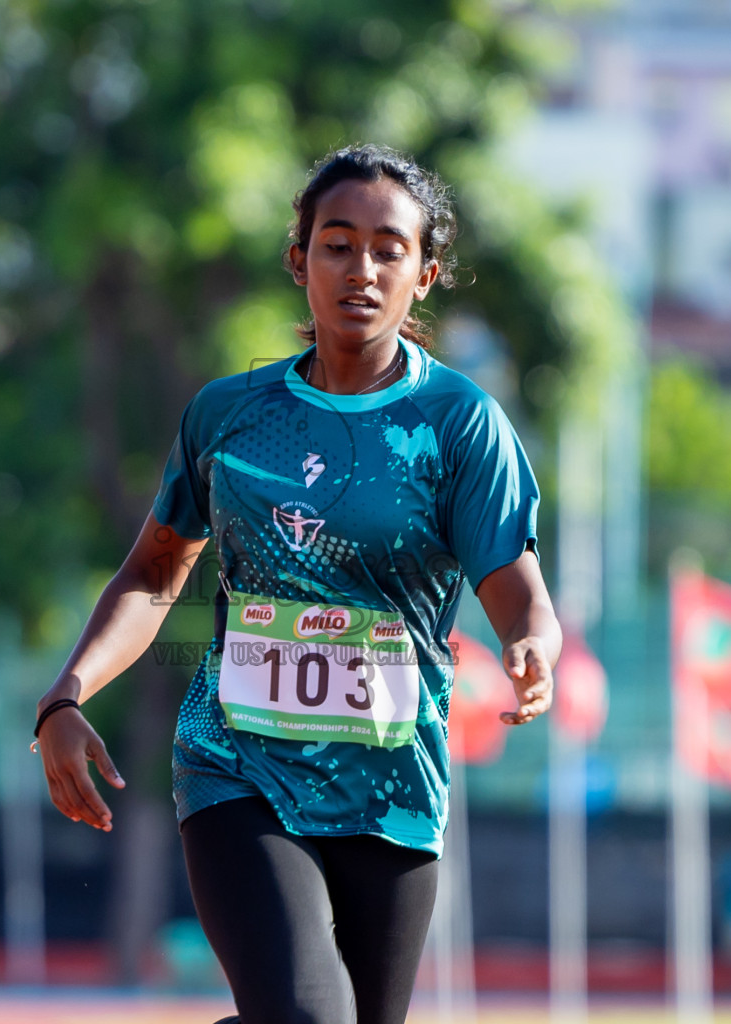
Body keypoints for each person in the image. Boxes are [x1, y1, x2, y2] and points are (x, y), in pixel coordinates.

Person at [34, 144, 562, 1024]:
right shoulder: (229, 416)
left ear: (425, 275)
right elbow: (154, 577)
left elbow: (515, 583)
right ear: (299, 261)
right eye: (337, 243)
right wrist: (65, 697)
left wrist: (531, 643)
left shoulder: (459, 424)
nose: (363, 268)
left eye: (389, 249)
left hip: (392, 786)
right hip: (238, 766)